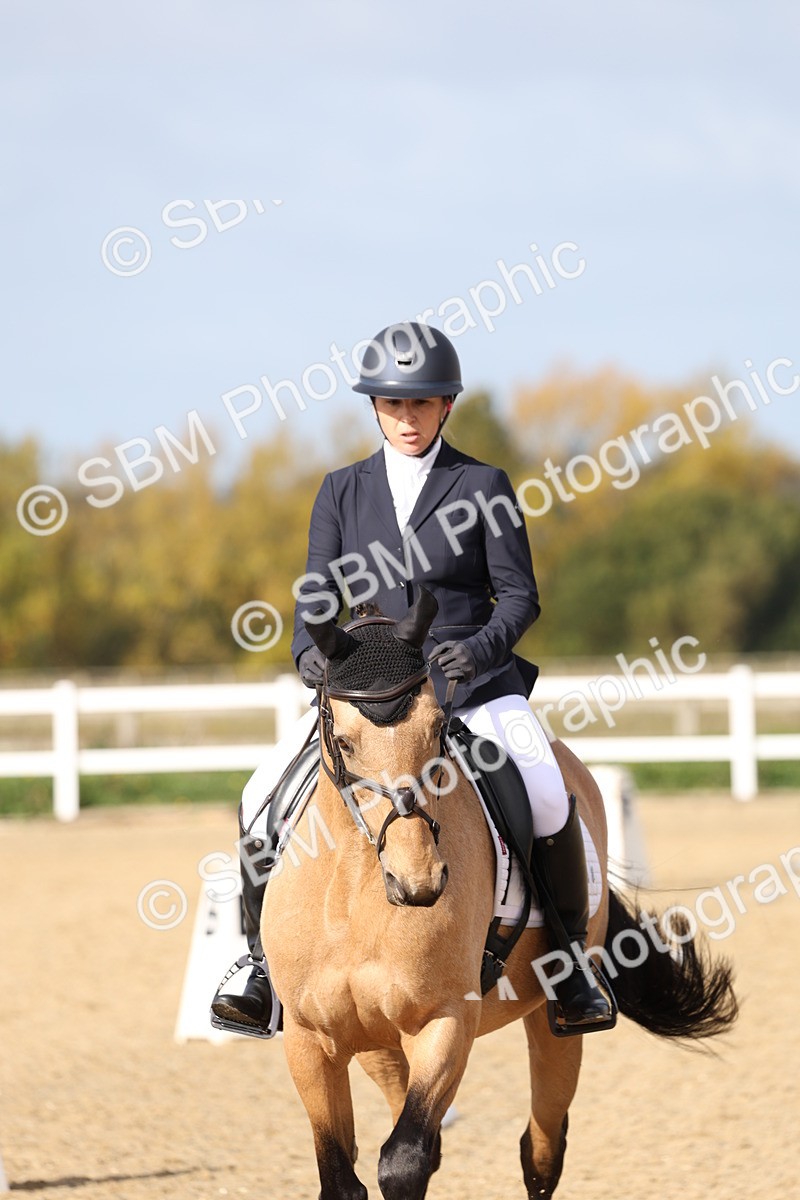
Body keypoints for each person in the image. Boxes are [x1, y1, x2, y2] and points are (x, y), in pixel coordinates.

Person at [211, 321, 611, 1036]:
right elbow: (315, 599)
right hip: (369, 692)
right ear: (374, 408)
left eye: (422, 404)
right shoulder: (340, 491)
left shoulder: (483, 485)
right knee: (259, 792)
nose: (407, 418)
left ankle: (572, 969)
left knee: (549, 793)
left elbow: (519, 596)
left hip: (472, 682)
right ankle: (259, 967)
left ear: (446, 405)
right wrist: (310, 655)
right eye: (394, 405)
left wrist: (482, 649)